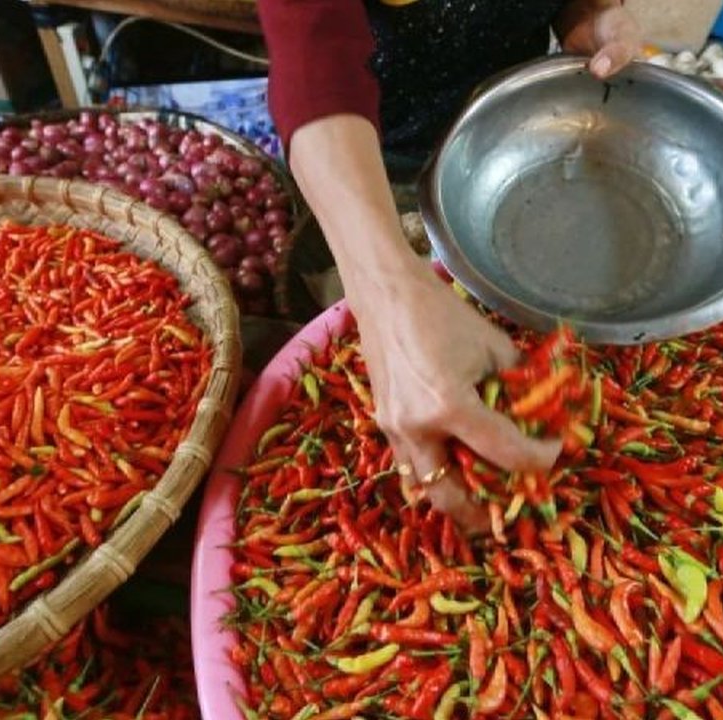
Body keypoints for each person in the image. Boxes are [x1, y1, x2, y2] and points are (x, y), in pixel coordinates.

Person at [259, 0, 643, 530]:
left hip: (507, 138)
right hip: (366, 151)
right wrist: (385, 290)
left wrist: (587, 13)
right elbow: (312, 48)